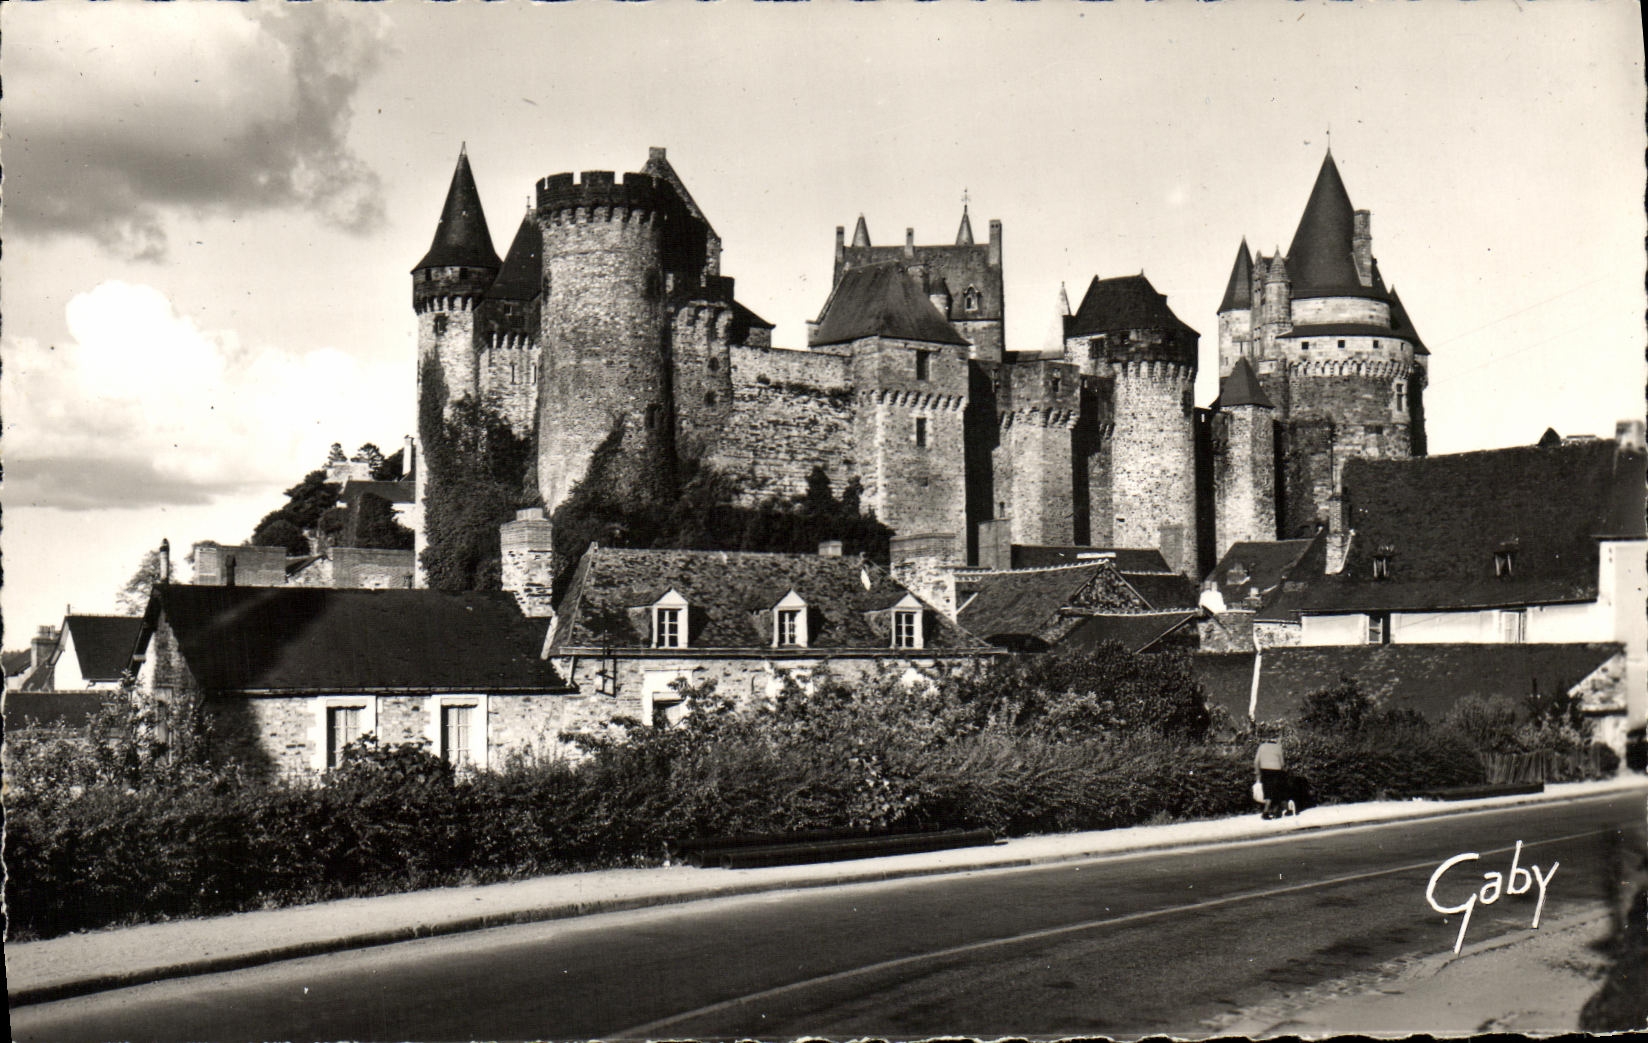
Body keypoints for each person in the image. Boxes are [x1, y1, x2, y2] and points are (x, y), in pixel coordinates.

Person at [1255, 736, 1288, 819]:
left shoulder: (1262, 746)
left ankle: (1266, 811)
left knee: (1268, 791)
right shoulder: (1278, 747)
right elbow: (1282, 763)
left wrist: (1258, 773)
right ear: (1276, 740)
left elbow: (1256, 761)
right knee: (1278, 790)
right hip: (1276, 770)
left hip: (1265, 771)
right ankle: (1279, 810)